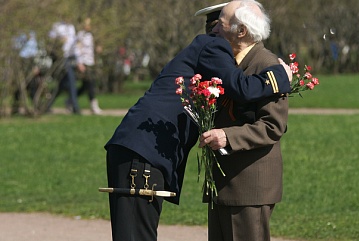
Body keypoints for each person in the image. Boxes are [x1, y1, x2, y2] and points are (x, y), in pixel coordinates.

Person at [103, 19, 292, 241]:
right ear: (218, 28)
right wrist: (280, 76)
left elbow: (269, 122)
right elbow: (242, 87)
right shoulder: (214, 45)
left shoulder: (239, 58)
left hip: (141, 149)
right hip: (143, 151)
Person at [198, 1, 289, 240]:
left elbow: (273, 126)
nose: (214, 30)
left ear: (241, 31)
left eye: (221, 24)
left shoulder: (266, 64)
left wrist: (227, 137)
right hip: (223, 184)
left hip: (250, 185)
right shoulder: (228, 63)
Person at [46, 19, 80, 114]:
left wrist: (77, 59)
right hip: (61, 58)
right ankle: (75, 107)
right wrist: (59, 40)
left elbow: (74, 44)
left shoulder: (71, 27)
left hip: (70, 57)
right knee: (71, 81)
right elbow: (50, 39)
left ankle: (47, 105)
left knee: (62, 84)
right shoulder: (57, 26)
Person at [74, 18, 102, 114]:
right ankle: (93, 105)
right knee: (90, 83)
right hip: (84, 63)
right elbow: (77, 49)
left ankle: (71, 99)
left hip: (91, 62)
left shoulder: (91, 35)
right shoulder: (80, 35)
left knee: (86, 85)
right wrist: (80, 63)